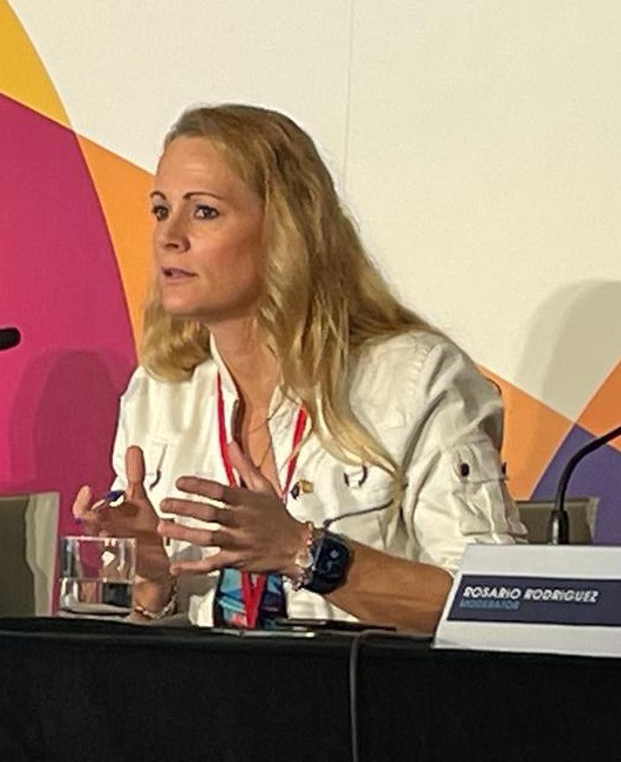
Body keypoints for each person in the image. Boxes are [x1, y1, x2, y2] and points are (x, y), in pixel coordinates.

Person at [74, 105, 524, 632]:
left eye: (204, 212)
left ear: (285, 229)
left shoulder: (414, 378)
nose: (168, 236)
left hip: (362, 706)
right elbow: (150, 635)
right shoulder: (159, 392)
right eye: (159, 210)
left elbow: (497, 605)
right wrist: (154, 579)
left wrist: (302, 551)